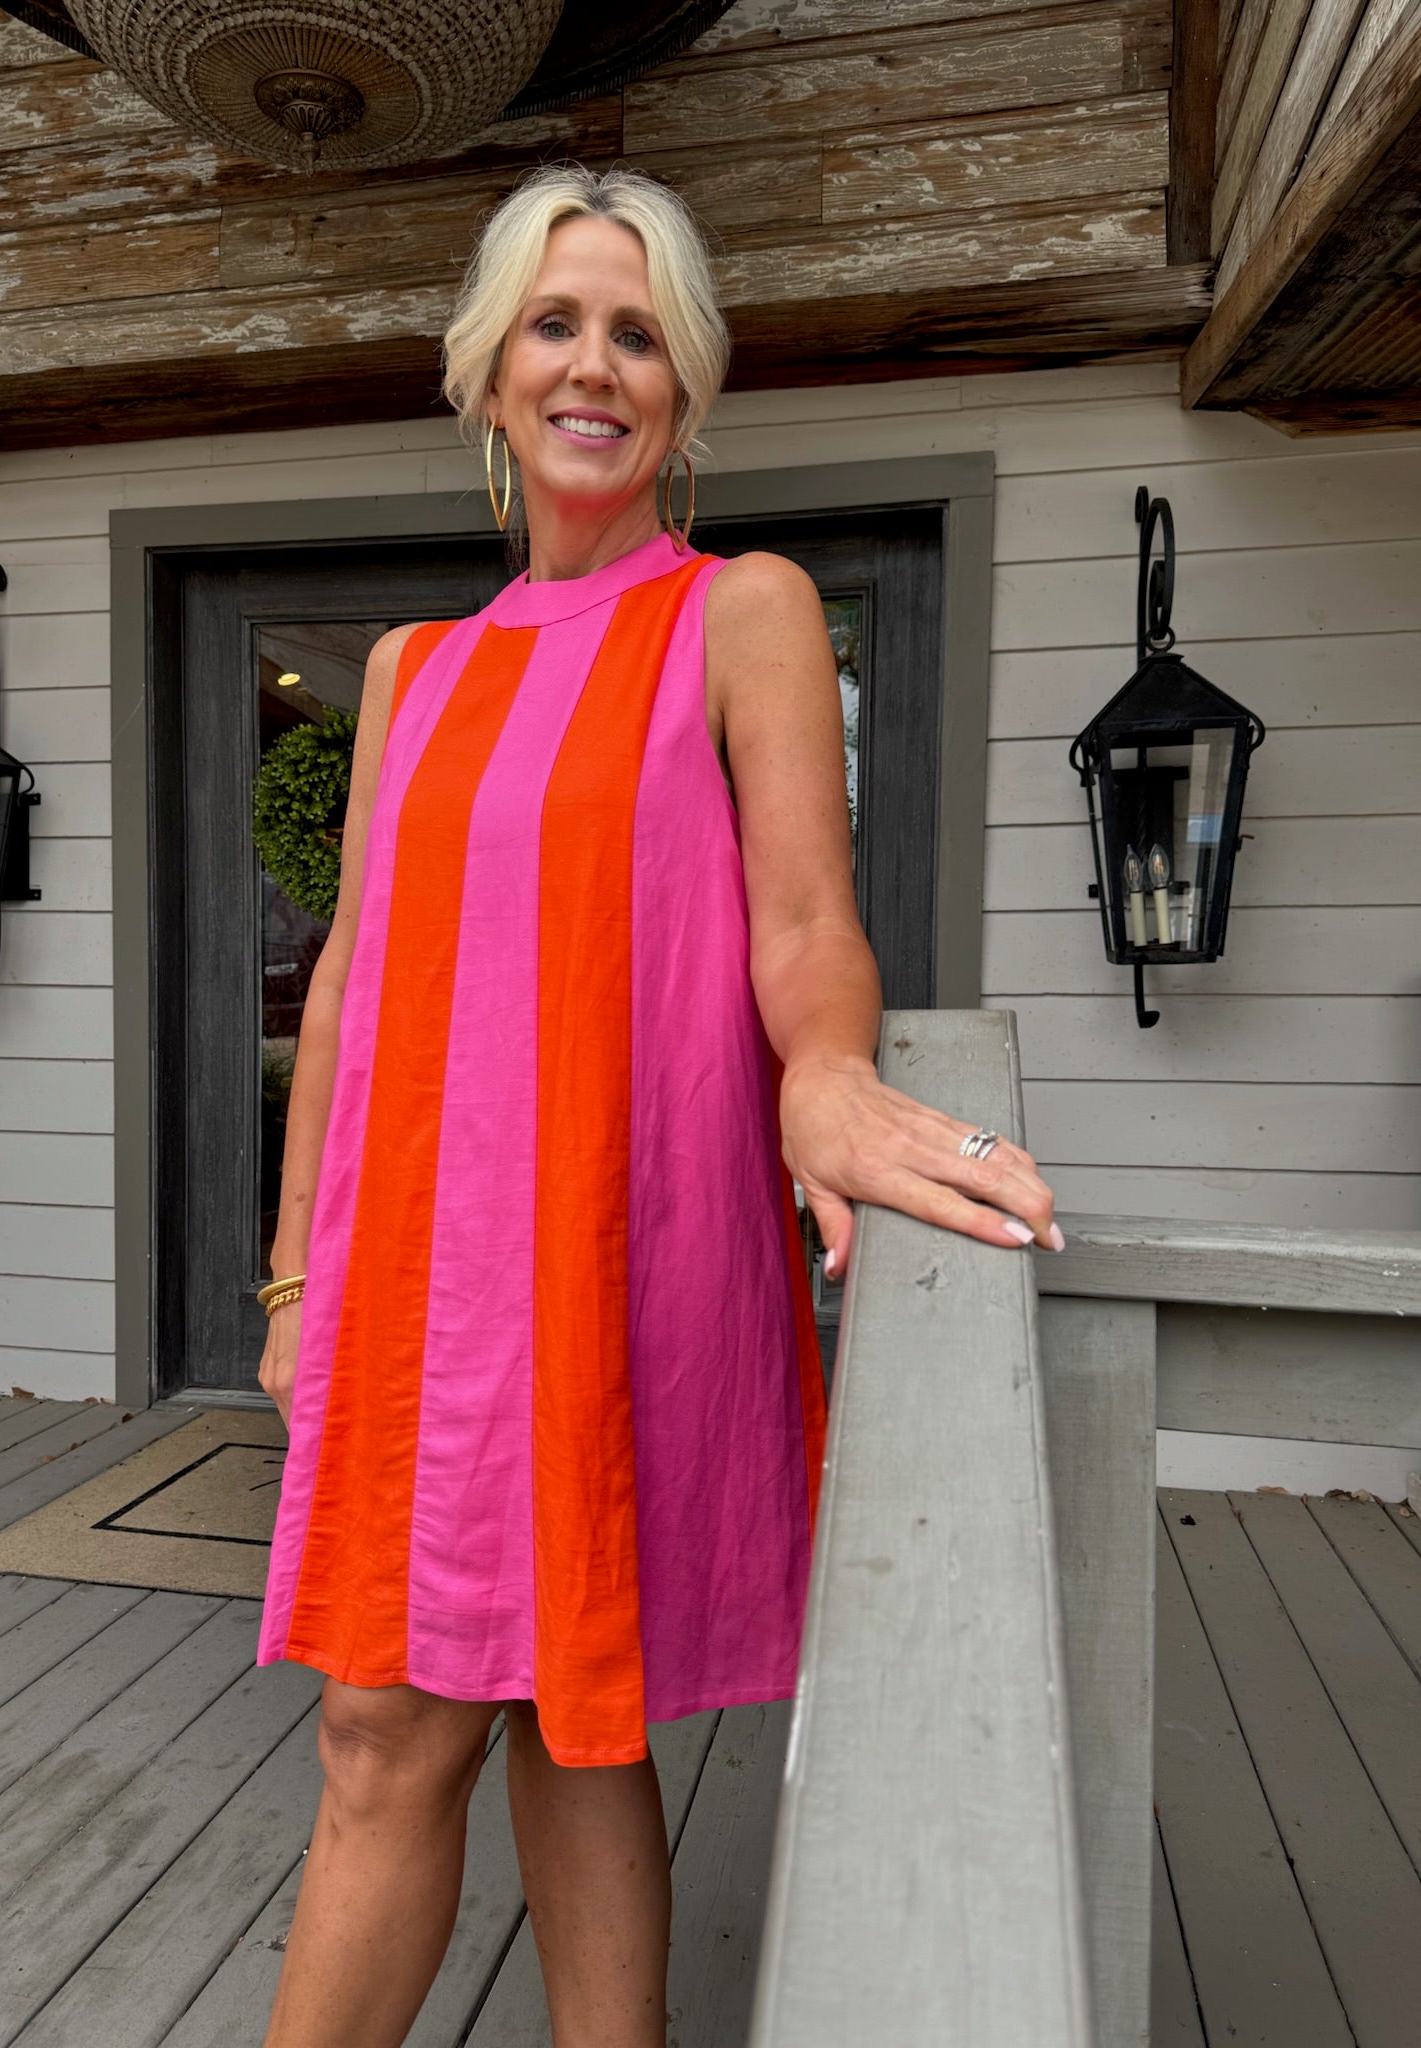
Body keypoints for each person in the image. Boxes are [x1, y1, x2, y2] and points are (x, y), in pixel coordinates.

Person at [253, 164, 1061, 2048]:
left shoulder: (740, 611)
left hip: (601, 1256)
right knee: (441, 1720)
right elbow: (355, 990)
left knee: (520, 1715)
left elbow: (804, 922)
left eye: (637, 333)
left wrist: (829, 1069)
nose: (591, 365)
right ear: (489, 373)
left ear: (684, 391)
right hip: (409, 1282)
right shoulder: (411, 672)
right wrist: (296, 1281)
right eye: (554, 324)